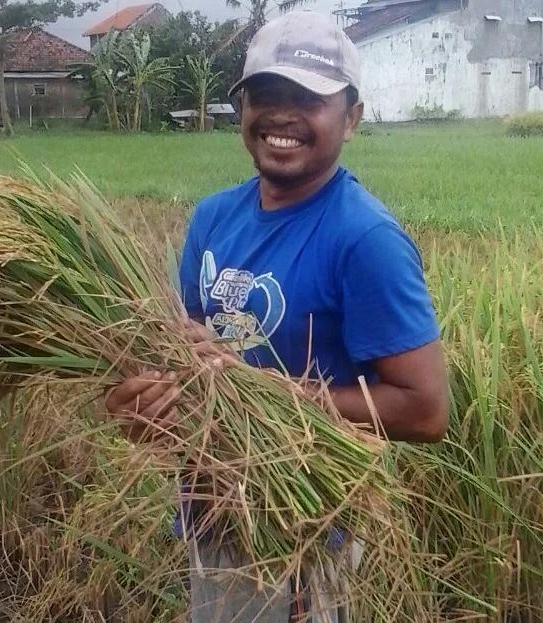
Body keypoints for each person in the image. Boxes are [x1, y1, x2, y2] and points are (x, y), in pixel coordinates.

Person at [104, 10, 450, 623]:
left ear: (352, 117)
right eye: (265, 95)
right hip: (210, 514)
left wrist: (261, 391)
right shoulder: (213, 218)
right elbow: (184, 359)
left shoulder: (365, 239)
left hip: (301, 534)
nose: (281, 115)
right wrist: (145, 403)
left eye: (308, 98)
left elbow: (425, 411)